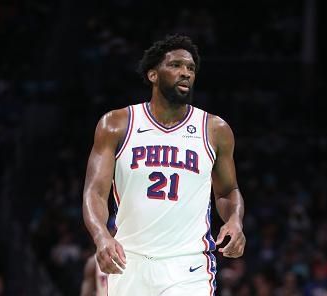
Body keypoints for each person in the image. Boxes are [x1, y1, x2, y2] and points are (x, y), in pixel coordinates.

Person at [82, 33, 246, 295]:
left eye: (190, 68)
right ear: (152, 75)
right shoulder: (116, 124)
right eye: (176, 65)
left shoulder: (215, 129)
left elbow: (228, 191)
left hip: (188, 265)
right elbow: (95, 192)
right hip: (128, 261)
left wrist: (235, 220)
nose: (185, 73)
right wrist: (101, 236)